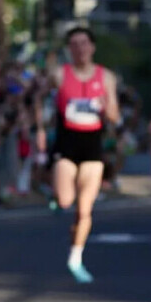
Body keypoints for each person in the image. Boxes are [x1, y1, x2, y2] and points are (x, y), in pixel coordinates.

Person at [35, 26, 121, 283]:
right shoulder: (60, 74)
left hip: (92, 146)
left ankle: (76, 257)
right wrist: (40, 128)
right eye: (74, 44)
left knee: (84, 211)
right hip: (66, 144)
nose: (80, 49)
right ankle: (54, 191)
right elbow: (38, 97)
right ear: (69, 49)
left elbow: (115, 116)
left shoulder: (106, 77)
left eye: (84, 43)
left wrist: (106, 107)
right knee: (65, 201)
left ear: (92, 47)